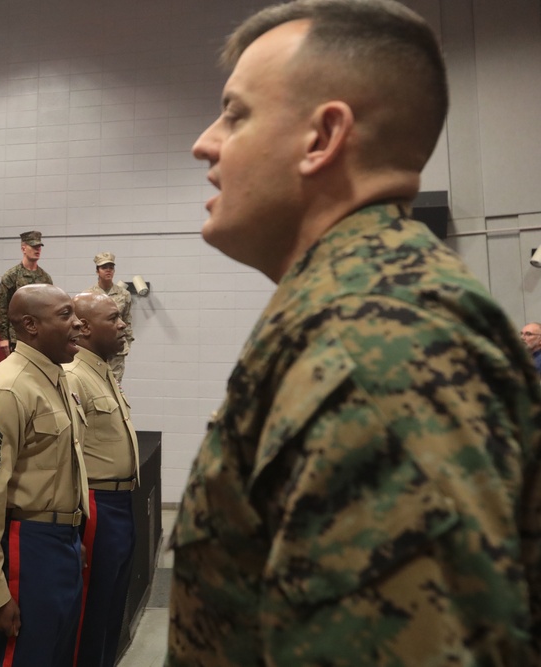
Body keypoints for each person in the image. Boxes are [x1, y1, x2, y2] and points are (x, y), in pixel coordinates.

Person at [169, 1, 541, 665]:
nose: (206, 141)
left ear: (322, 137)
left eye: (235, 112)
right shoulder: (353, 307)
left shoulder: (374, 341)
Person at [0, 284, 87, 667]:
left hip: (63, 545)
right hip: (29, 549)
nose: (79, 323)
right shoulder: (8, 389)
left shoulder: (57, 379)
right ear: (30, 325)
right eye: (65, 314)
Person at [63, 292, 140, 667]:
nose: (123, 324)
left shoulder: (103, 371)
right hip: (96, 505)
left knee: (111, 611)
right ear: (86, 328)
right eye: (113, 318)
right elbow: (66, 457)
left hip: (121, 503)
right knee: (91, 615)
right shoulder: (75, 376)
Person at [0, 230, 53, 356]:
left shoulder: (45, 278)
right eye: (33, 246)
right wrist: (4, 338)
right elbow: (1, 308)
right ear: (23, 248)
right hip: (18, 337)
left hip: (40, 336)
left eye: (39, 247)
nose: (38, 250)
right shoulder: (11, 276)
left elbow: (50, 308)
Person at [86, 253, 134, 383]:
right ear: (97, 271)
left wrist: (126, 346)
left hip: (116, 350)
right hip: (96, 350)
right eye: (104, 267)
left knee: (115, 389)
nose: (108, 270)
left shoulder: (124, 294)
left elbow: (127, 322)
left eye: (111, 267)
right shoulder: (89, 295)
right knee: (96, 386)